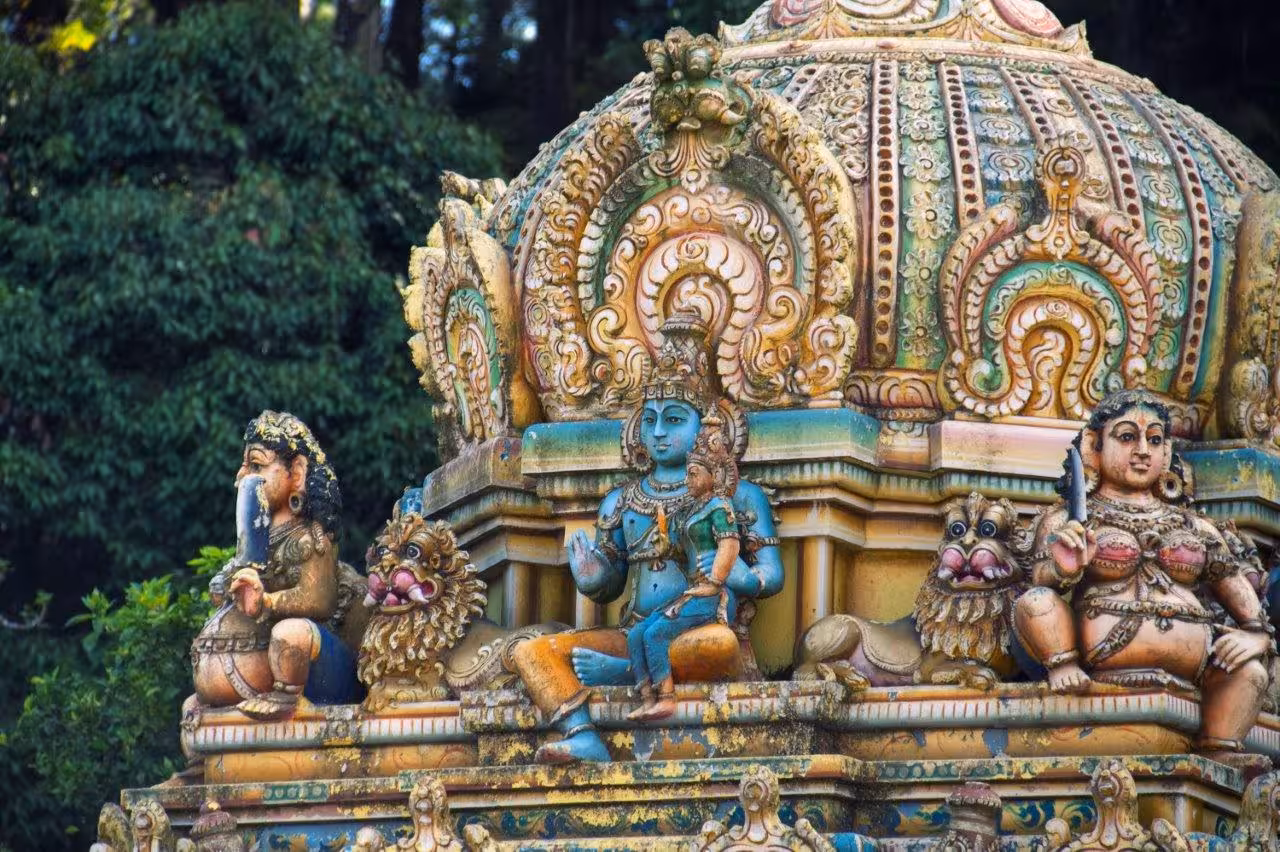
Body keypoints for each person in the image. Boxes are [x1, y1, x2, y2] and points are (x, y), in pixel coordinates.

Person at [510, 312, 783, 763]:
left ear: (707, 426)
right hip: (635, 630)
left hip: (699, 631)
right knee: (533, 652)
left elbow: (772, 575)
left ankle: (623, 674)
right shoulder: (620, 500)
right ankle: (581, 733)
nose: (658, 433)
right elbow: (612, 583)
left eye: (674, 420)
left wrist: (739, 576)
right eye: (651, 419)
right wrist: (594, 577)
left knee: (721, 646)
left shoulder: (737, 495)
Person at [1014, 389, 1273, 765]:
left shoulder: (1193, 525)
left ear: (1167, 453)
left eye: (1154, 440)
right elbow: (1040, 582)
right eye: (1126, 437)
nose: (1142, 450)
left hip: (1194, 670)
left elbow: (1242, 599)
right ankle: (1063, 666)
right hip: (1098, 658)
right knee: (1035, 602)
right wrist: (1064, 567)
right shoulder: (1073, 518)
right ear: (1094, 445)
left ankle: (1220, 747)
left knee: (1249, 670)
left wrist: (1256, 635)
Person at [189, 411, 365, 722]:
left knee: (291, 632)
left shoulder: (312, 537)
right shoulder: (260, 539)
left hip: (320, 672)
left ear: (296, 472)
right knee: (191, 709)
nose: (240, 478)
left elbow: (319, 600)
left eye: (256, 466)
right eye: (244, 467)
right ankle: (195, 768)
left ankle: (286, 698)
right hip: (256, 672)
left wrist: (267, 601)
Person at [627, 417, 740, 721]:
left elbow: (730, 546)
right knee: (636, 633)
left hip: (708, 594)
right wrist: (668, 548)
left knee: (655, 635)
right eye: (688, 475)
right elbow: (682, 554)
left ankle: (666, 697)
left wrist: (715, 581)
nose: (687, 481)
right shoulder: (691, 510)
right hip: (692, 590)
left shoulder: (719, 508)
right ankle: (647, 695)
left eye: (693, 474)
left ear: (714, 475)